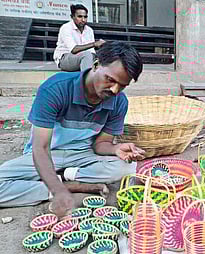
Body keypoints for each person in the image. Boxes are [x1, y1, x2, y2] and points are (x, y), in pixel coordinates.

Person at [0, 41, 145, 218]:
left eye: (122, 85)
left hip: (82, 156)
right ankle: (64, 186)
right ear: (96, 65)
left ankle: (61, 178)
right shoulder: (55, 89)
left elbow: (100, 145)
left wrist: (115, 149)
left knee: (128, 168)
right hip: (48, 154)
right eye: (110, 80)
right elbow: (41, 147)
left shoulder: (119, 102)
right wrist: (58, 190)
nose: (115, 90)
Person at [53, 4, 106, 72]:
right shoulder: (66, 28)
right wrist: (94, 44)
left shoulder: (89, 30)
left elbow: (91, 52)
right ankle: (85, 80)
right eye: (80, 16)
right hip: (65, 59)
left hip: (84, 58)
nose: (83, 20)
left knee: (102, 58)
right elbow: (73, 49)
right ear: (72, 17)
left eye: (85, 17)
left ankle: (92, 75)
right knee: (87, 55)